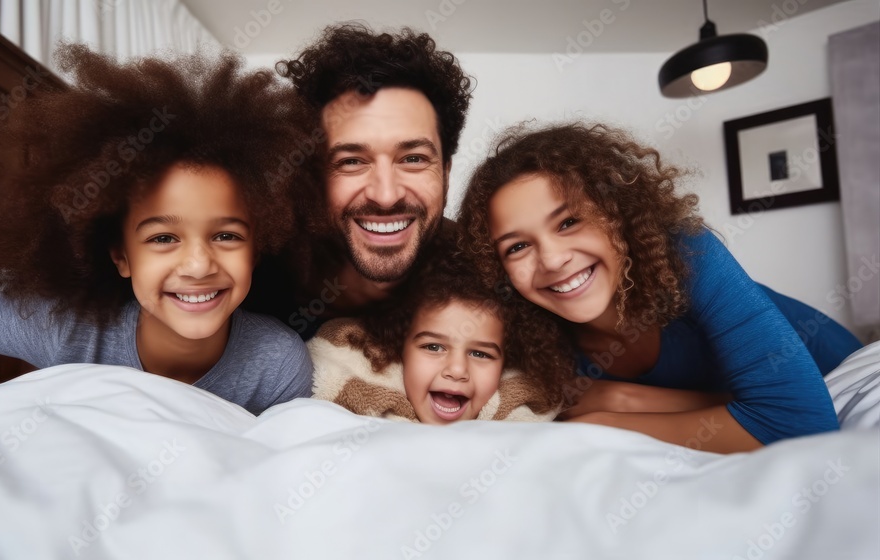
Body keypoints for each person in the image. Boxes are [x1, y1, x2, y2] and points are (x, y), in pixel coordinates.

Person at [0, 45, 317, 415]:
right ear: (121, 256)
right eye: (163, 238)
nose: (199, 264)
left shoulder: (277, 366)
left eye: (227, 235)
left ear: (258, 249)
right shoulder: (58, 324)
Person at [457, 122, 863, 452]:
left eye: (568, 223)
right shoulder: (535, 336)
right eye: (517, 247)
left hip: (845, 371)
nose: (551, 259)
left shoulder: (687, 250)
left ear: (617, 217)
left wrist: (615, 412)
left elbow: (801, 421)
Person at [244, 23, 473, 339]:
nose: (386, 195)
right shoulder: (249, 269)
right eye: (351, 162)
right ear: (312, 176)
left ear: (445, 173)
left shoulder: (484, 271)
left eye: (413, 159)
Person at [308, 252, 572, 424]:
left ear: (506, 363)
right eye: (434, 347)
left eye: (480, 354)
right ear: (399, 350)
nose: (457, 370)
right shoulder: (358, 397)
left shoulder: (516, 417)